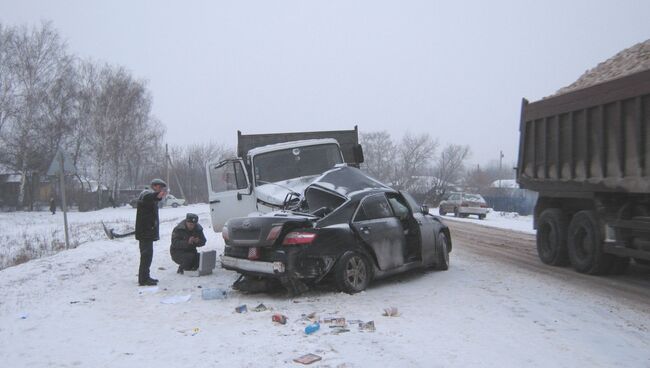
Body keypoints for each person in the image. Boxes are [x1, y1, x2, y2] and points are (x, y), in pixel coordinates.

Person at [135, 178, 167, 286]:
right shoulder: (146, 194)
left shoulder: (149, 196)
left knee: (147, 256)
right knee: (146, 255)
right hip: (145, 232)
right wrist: (157, 195)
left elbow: (153, 200)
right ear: (154, 186)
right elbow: (150, 198)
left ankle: (145, 277)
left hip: (147, 232)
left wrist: (157, 197)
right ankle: (143, 279)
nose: (161, 189)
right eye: (160, 187)